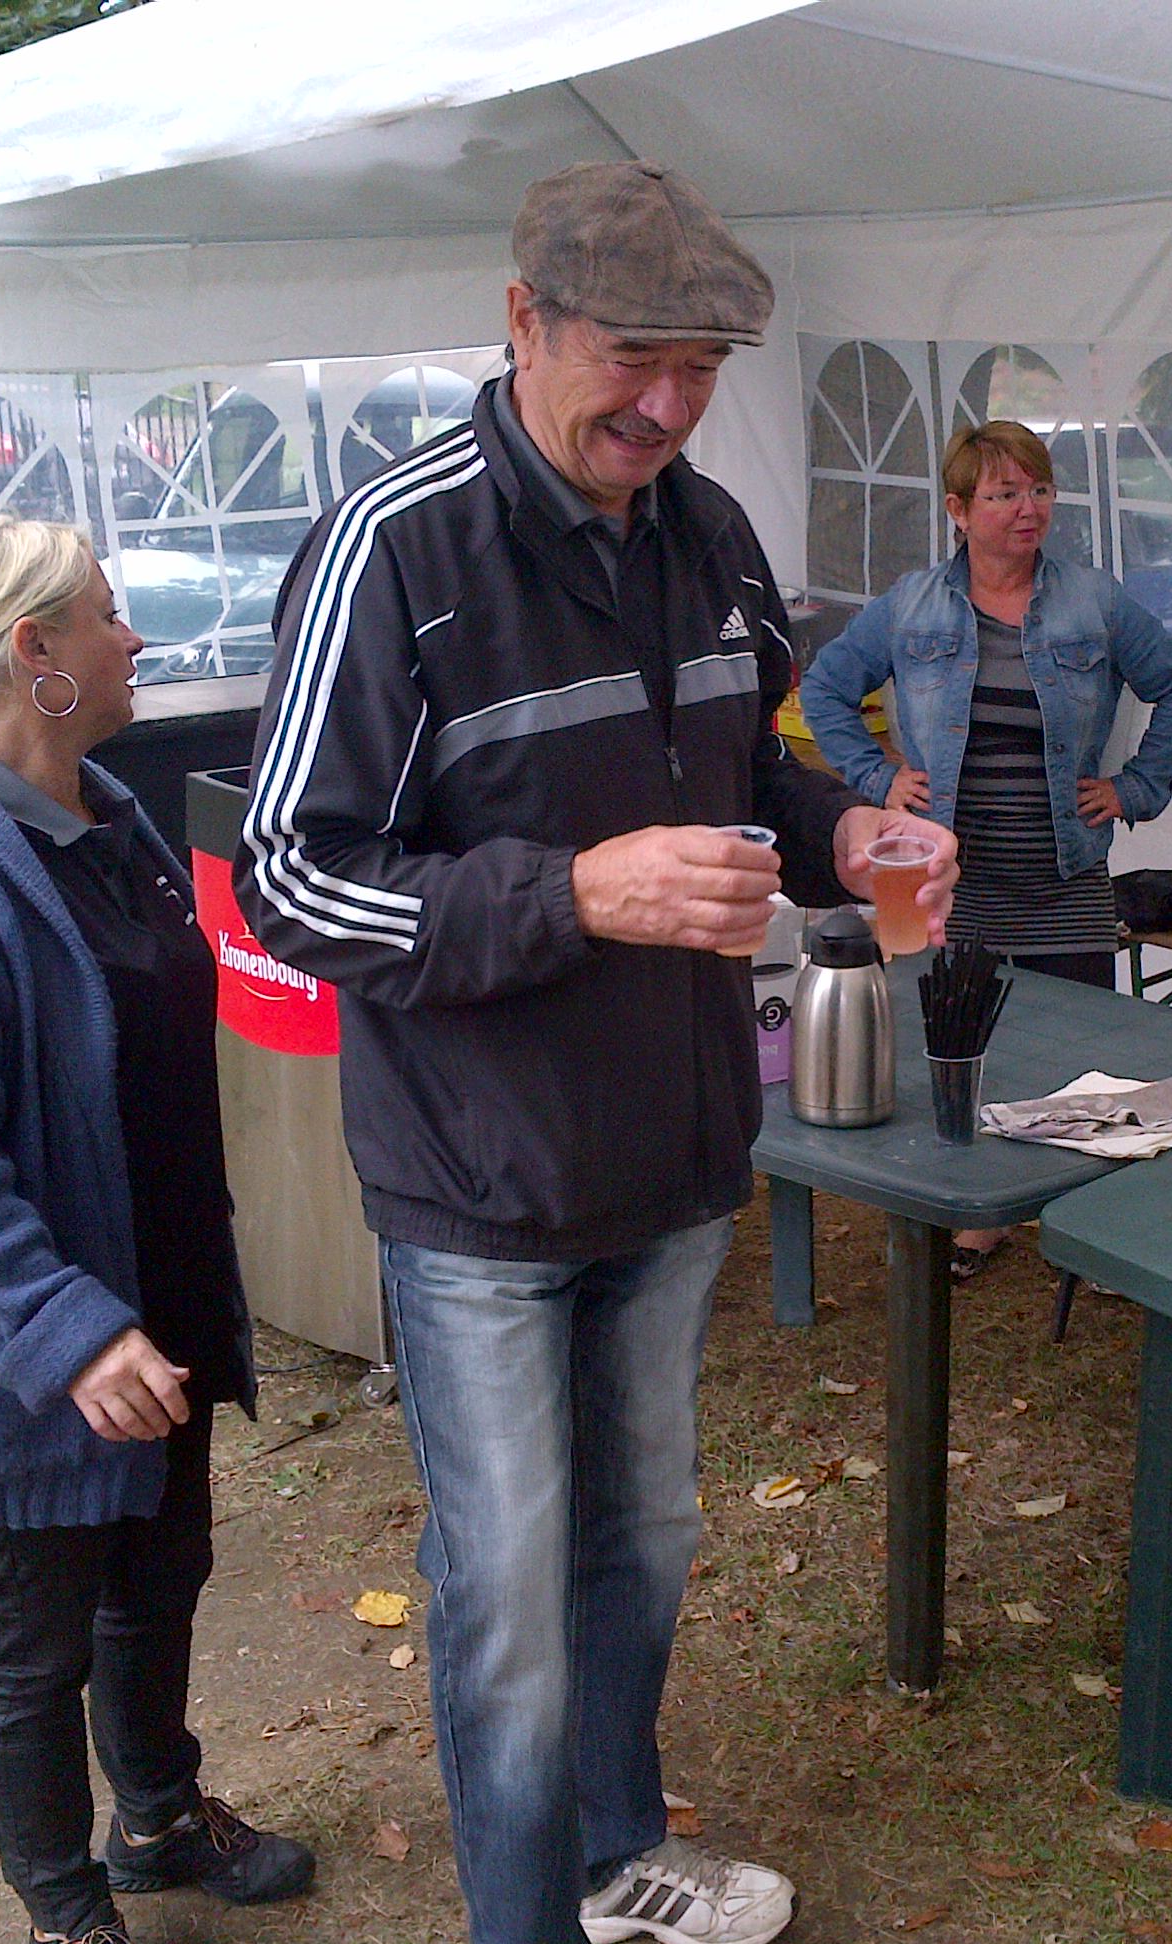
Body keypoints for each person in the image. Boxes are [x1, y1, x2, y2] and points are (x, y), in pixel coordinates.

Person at [234, 161, 957, 1944]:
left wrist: (840, 833)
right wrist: (576, 892)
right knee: (504, 1593)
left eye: (702, 366)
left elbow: (752, 778)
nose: (666, 402)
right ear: (522, 322)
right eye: (635, 354)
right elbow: (292, 877)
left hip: (677, 1155)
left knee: (642, 1543)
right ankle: (523, 1920)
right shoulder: (392, 547)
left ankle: (617, 1843)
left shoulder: (709, 537)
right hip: (480, 1183)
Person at [0, 517, 314, 1944]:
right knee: (34, 1650)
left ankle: (157, 1817)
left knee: (160, 1579)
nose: (136, 638)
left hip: (150, 1297)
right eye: (109, 613)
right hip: (23, 1353)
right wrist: (70, 1331)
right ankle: (63, 1910)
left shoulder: (103, 813)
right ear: (35, 654)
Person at [798, 417, 1172, 1275]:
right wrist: (878, 783)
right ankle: (978, 1210)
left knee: (1085, 1057)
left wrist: (1133, 788)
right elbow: (827, 690)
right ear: (958, 509)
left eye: (1039, 490)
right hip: (957, 879)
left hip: (1064, 872)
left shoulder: (1091, 601)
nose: (1028, 509)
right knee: (965, 1043)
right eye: (1004, 494)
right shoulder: (912, 604)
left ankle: (1083, 1224)